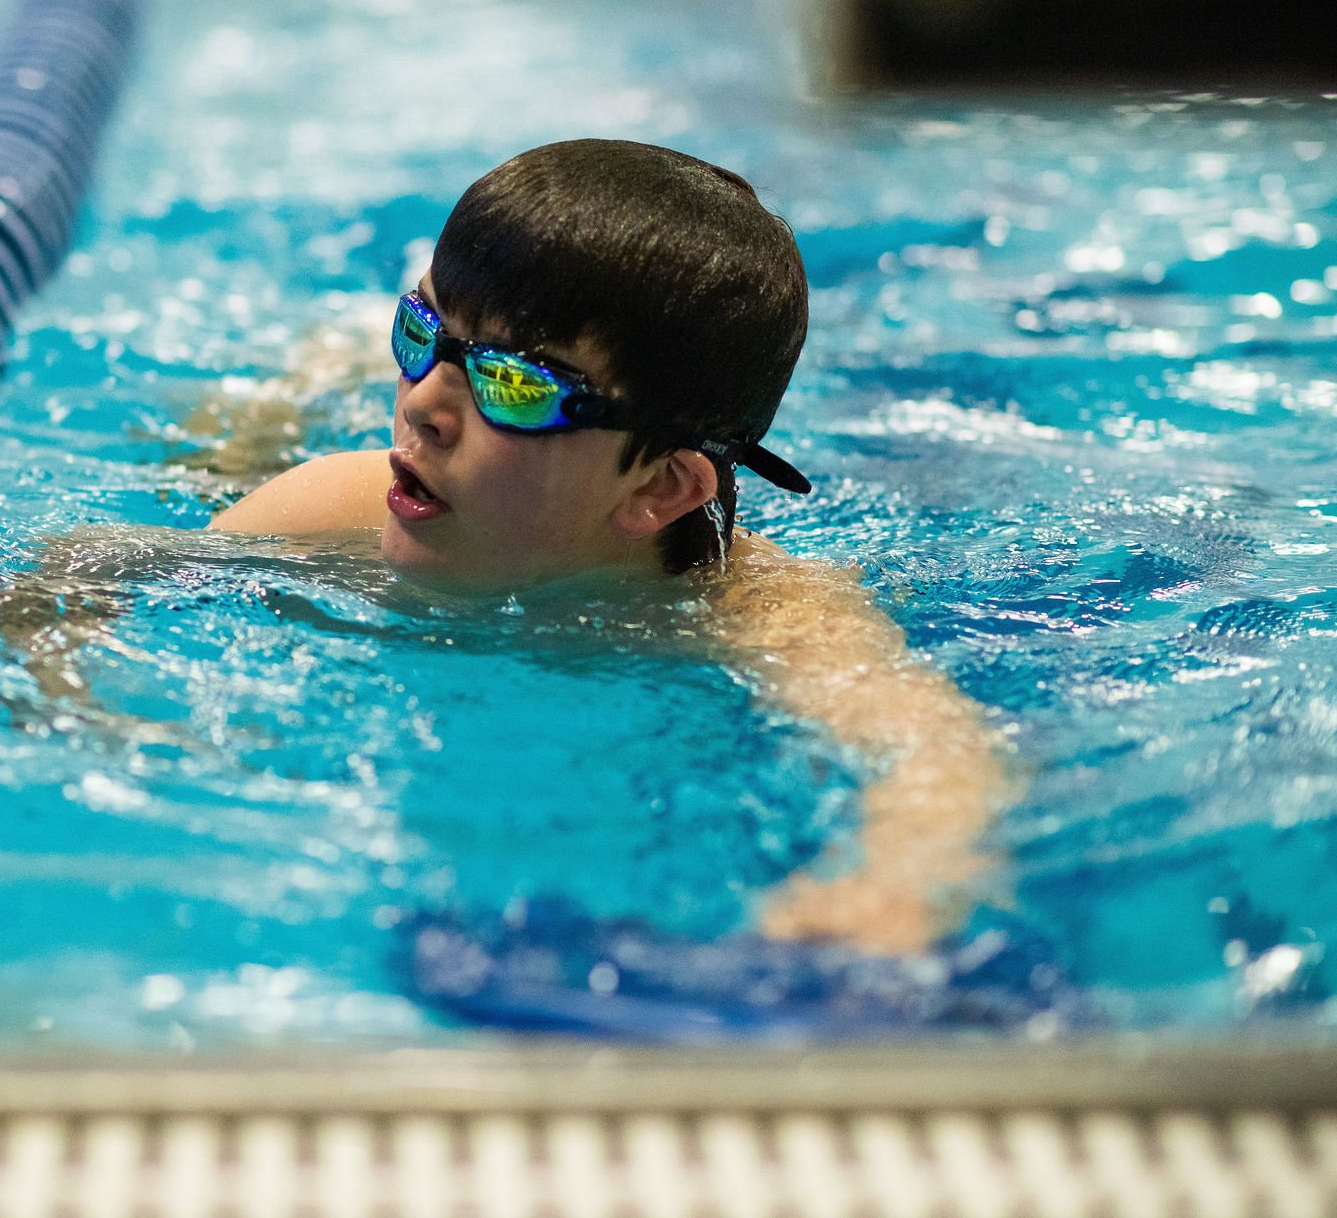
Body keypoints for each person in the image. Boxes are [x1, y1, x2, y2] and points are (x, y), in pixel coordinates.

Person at [205, 139, 1006, 954]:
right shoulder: (326, 508)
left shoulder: (753, 612)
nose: (423, 409)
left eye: (513, 383)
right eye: (421, 333)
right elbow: (93, 576)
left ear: (660, 488)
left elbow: (935, 758)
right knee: (222, 446)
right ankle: (319, 363)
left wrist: (892, 883)